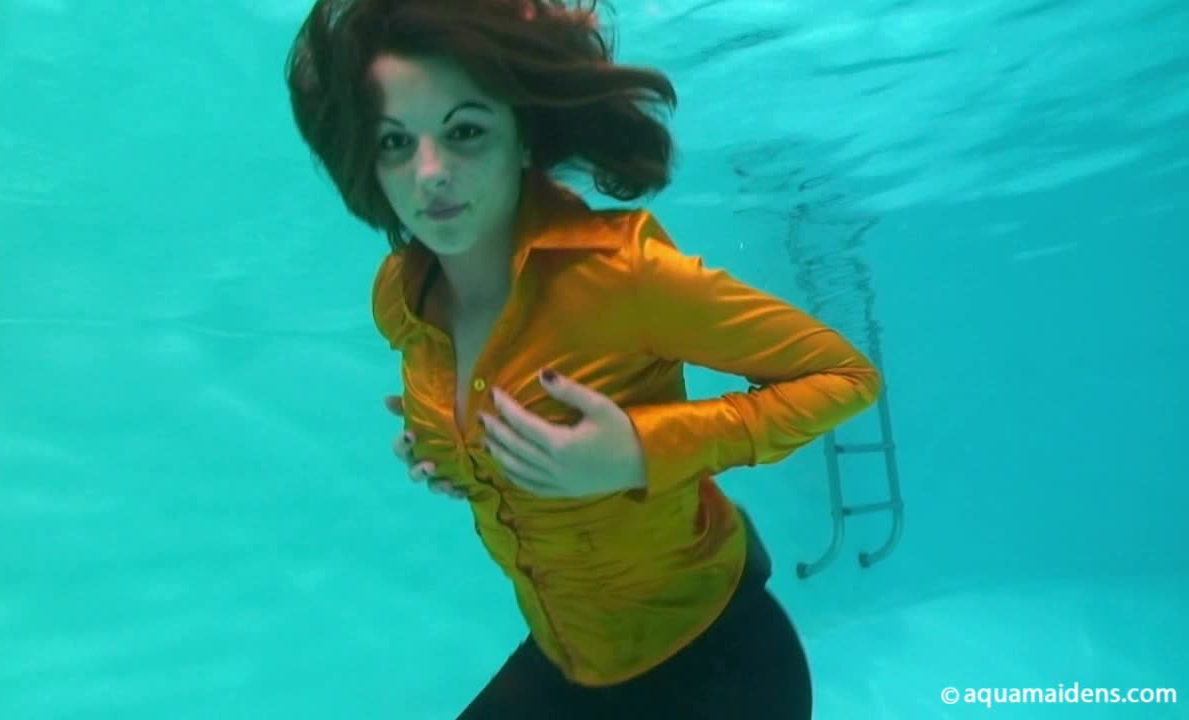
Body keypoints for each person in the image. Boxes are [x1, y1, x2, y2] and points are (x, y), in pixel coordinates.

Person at [284, 1, 882, 717]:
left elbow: (846, 379)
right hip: (571, 658)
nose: (431, 172)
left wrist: (638, 452)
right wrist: (450, 443)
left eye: (465, 131)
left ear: (523, 136)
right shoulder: (403, 298)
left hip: (719, 663)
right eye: (394, 142)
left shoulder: (619, 275)